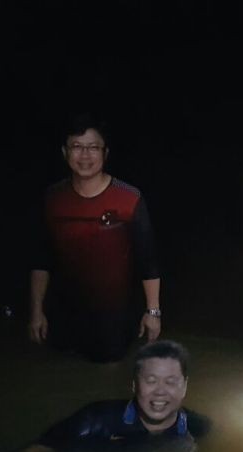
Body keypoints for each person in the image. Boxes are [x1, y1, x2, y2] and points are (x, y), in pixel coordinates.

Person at [0, 340, 208, 452]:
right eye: (151, 381)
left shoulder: (195, 426)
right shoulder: (97, 419)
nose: (160, 392)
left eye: (170, 381)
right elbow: (43, 448)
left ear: (184, 386)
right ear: (135, 385)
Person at [29, 113, 162, 362]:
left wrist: (153, 311)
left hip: (115, 315)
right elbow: (41, 259)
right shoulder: (53, 197)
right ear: (64, 152)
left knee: (110, 368)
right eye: (77, 147)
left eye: (93, 147)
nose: (85, 155)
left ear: (106, 153)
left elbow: (148, 260)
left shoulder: (129, 197)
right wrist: (37, 312)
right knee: (62, 370)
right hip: (64, 311)